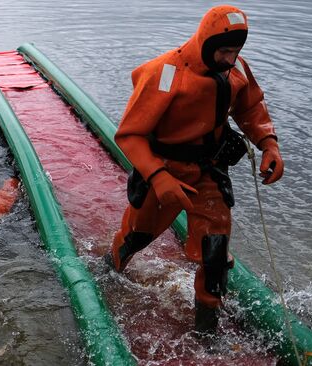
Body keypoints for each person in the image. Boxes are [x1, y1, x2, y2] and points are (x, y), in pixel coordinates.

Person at [105, 5, 284, 336]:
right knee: (137, 236)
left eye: (237, 51)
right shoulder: (165, 73)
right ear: (205, 42)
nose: (231, 58)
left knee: (215, 252)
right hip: (162, 170)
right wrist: (158, 178)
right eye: (224, 50)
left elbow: (251, 107)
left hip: (208, 173)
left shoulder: (236, 70)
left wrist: (268, 144)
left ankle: (207, 332)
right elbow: (129, 135)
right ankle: (108, 273)